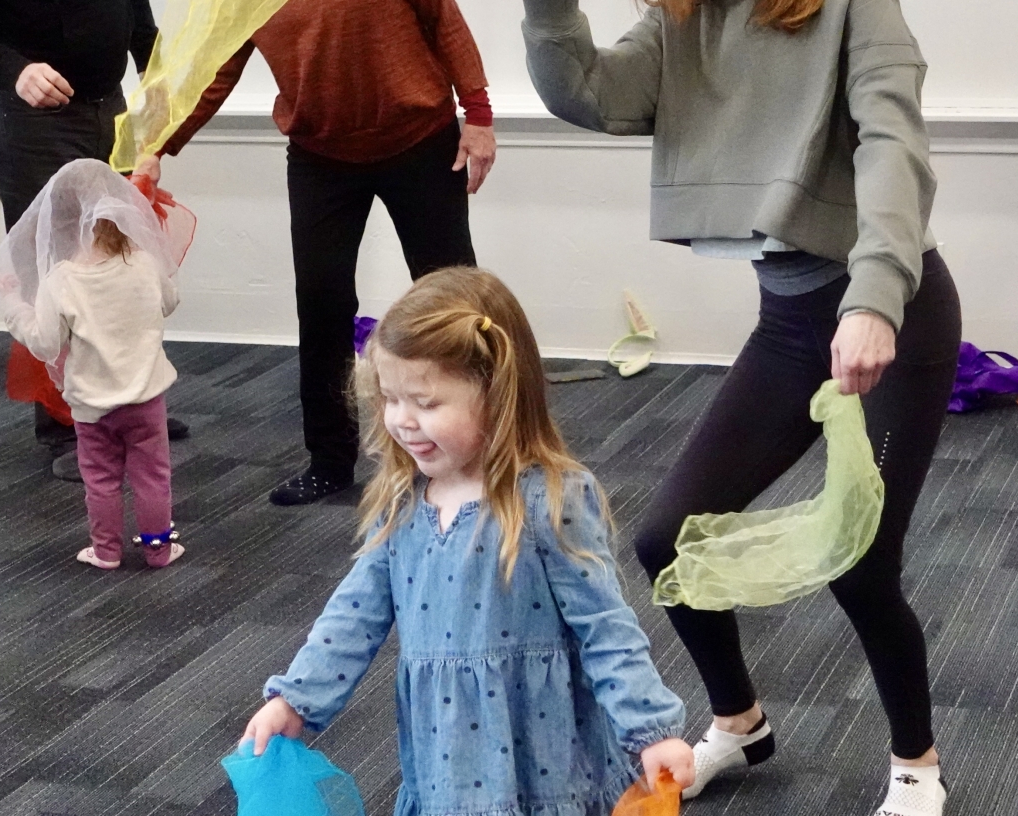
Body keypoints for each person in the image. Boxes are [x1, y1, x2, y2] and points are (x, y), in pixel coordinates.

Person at [523, 0, 960, 811]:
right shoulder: (685, 17)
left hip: (893, 313)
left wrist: (875, 299)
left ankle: (917, 763)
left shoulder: (852, 8)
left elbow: (894, 145)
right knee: (667, 542)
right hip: (794, 325)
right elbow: (586, 91)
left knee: (862, 562)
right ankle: (740, 723)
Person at [239, 267, 695, 812]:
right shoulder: (403, 499)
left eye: (427, 404)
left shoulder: (547, 499)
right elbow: (353, 615)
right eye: (390, 398)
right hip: (445, 759)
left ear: (499, 394)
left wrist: (652, 729)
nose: (403, 422)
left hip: (546, 759)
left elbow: (606, 629)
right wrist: (297, 697)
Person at [134, 0, 497, 507]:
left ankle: (487, 451)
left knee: (454, 305)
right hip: (319, 155)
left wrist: (478, 116)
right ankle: (329, 461)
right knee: (322, 303)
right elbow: (216, 69)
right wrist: (156, 147)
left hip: (420, 140)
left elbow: (446, 23)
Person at [0, 0, 189, 484]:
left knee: (123, 254)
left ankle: (130, 404)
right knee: (51, 267)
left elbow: (138, 19)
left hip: (110, 111)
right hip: (30, 121)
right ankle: (69, 426)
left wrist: (158, 88)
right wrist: (13, 70)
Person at [0, 161, 187, 570]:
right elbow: (169, 302)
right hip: (146, 399)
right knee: (153, 477)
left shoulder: (62, 281)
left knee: (101, 481)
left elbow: (45, 344)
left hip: (91, 405)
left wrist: (13, 305)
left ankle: (106, 551)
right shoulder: (144, 263)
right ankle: (158, 549)